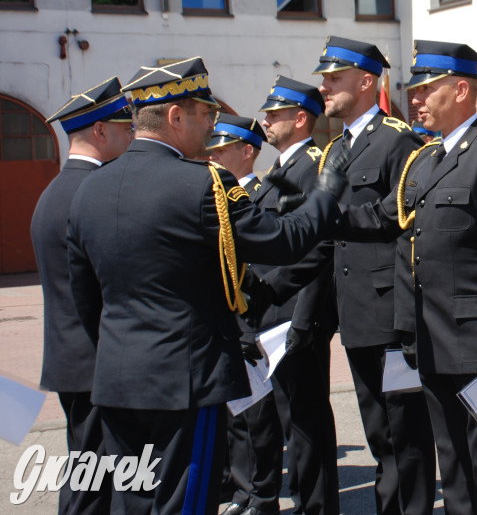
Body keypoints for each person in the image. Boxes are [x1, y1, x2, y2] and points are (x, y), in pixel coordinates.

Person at [66, 57, 347, 514]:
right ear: (176, 117)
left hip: (116, 376)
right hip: (186, 380)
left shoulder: (90, 189)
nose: (211, 127)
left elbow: (85, 296)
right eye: (205, 115)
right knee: (184, 501)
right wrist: (327, 194)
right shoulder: (202, 185)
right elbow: (282, 240)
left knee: (132, 502)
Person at [329, 40, 477, 514]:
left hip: (474, 341)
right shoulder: (425, 160)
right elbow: (383, 217)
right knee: (452, 465)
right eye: (413, 90)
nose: (414, 99)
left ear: (459, 90)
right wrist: (319, 215)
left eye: (426, 89)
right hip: (430, 340)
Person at [314, 36, 436, 515]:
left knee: (405, 434)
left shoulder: (396, 139)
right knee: (379, 433)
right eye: (324, 78)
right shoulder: (338, 146)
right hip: (357, 312)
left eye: (334, 78)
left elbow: (404, 225)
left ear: (366, 82)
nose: (324, 86)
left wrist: (406, 318)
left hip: (390, 313)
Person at [30, 76, 134, 515]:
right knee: (93, 485)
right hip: (95, 361)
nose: (131, 136)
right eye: (125, 128)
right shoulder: (93, 193)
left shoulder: (56, 191)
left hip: (72, 358)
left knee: (89, 474)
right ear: (100, 131)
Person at [253, 76, 339, 515]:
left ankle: (317, 506)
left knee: (306, 423)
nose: (265, 120)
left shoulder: (312, 167)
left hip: (294, 319)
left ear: (300, 118)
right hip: (273, 316)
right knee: (291, 421)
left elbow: (319, 249)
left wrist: (304, 321)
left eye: (275, 113)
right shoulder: (282, 170)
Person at [207, 114, 285, 515]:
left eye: (221, 150)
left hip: (257, 319)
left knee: (259, 418)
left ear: (247, 151)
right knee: (234, 415)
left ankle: (262, 493)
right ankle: (239, 489)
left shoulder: (264, 192)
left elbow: (273, 260)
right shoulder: (212, 196)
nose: (214, 157)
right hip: (225, 321)